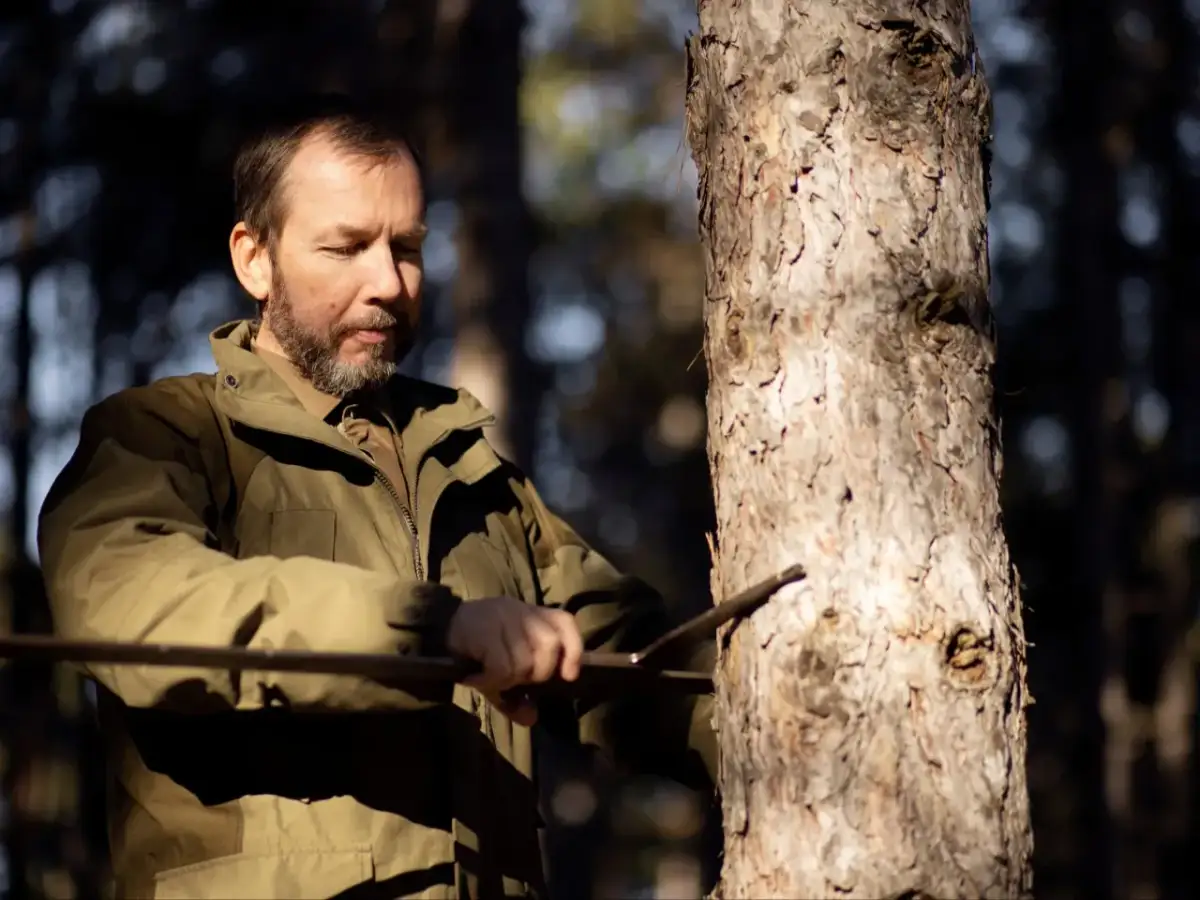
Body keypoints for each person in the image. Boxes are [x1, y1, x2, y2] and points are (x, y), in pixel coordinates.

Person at [36, 95, 716, 900]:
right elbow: (138, 606)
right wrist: (433, 629)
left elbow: (633, 664)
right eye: (346, 247)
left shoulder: (471, 469)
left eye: (408, 248)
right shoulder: (160, 434)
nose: (389, 284)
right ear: (254, 259)